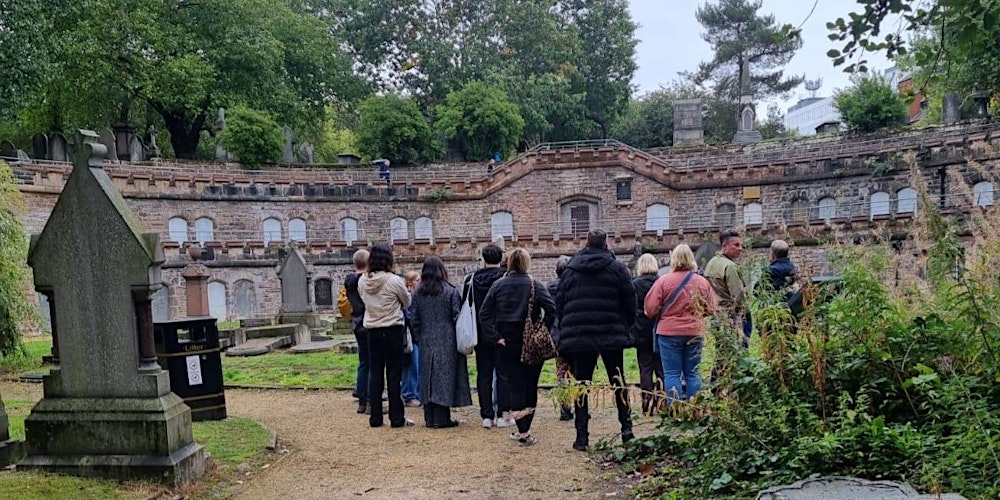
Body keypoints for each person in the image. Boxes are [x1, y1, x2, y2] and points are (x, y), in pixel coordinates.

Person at [555, 229, 637, 451]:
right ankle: (627, 431)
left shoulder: (570, 271)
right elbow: (630, 301)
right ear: (606, 244)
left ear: (586, 244)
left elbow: (559, 304)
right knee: (618, 382)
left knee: (582, 384)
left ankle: (582, 437)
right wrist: (625, 326)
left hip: (580, 335)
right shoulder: (618, 269)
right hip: (611, 333)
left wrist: (568, 327)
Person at [479, 248, 555, 446]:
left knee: (514, 385)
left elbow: (484, 313)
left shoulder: (498, 285)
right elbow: (551, 309)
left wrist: (495, 337)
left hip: (507, 342)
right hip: (531, 342)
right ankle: (526, 428)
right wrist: (542, 329)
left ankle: (522, 430)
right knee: (531, 386)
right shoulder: (535, 285)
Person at [643, 244, 718, 403]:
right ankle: (695, 408)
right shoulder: (701, 282)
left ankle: (675, 409)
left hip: (669, 333)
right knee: (693, 373)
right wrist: (697, 314)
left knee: (671, 373)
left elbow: (650, 309)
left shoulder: (663, 281)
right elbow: (712, 308)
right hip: (694, 331)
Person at [409, 257, 472, 428]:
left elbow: (413, 317)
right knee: (444, 378)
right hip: (448, 339)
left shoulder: (418, 292)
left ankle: (430, 418)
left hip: (426, 338)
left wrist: (418, 337)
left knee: (428, 376)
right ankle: (443, 418)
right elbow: (457, 316)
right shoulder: (450, 291)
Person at [359, 244, 412, 428]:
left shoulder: (363, 281)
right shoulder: (394, 280)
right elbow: (406, 302)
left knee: (375, 373)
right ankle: (396, 418)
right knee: (394, 374)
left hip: (372, 330)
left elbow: (363, 300)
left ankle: (375, 417)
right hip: (392, 330)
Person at [462, 243, 512, 429]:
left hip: (480, 332)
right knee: (503, 373)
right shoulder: (506, 278)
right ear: (500, 258)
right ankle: (503, 414)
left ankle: (486, 415)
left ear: (484, 258)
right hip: (502, 333)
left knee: (483, 373)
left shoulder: (471, 279)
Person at [630, 253, 666, 415]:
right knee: (661, 367)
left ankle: (646, 403)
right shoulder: (661, 282)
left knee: (645, 367)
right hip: (659, 328)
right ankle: (662, 402)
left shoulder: (634, 285)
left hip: (641, 330)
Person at [340, 249, 372, 415]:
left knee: (363, 362)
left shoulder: (349, 280)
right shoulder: (366, 280)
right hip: (368, 321)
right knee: (373, 363)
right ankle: (370, 401)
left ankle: (361, 400)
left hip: (356, 321)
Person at [704, 230, 750, 344]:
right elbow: (737, 295)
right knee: (733, 349)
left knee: (720, 350)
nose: (740, 248)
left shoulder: (710, 264)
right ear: (725, 246)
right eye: (736, 245)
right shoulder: (730, 267)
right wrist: (743, 312)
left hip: (715, 314)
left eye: (741, 245)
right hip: (728, 314)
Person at [546, 255, 575, 421]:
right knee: (578, 373)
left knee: (562, 373)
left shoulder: (550, 287)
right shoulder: (575, 286)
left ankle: (565, 408)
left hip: (558, 335)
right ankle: (580, 406)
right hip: (575, 334)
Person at [401, 270, 422, 408]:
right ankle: (409, 394)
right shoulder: (408, 297)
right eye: (417, 280)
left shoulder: (415, 296)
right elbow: (408, 316)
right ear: (410, 282)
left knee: (417, 365)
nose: (419, 283)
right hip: (410, 336)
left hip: (415, 336)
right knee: (411, 366)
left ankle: (416, 392)